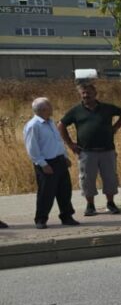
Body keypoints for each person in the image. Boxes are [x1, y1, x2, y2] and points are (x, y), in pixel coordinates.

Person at [57, 79, 121, 215]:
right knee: (87, 179)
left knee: (110, 178)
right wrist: (70, 144)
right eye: (83, 93)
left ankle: (111, 203)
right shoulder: (76, 111)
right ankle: (90, 206)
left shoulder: (107, 108)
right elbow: (61, 125)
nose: (86, 95)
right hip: (86, 152)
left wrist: (115, 127)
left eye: (88, 93)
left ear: (95, 93)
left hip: (107, 150)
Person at [24, 97, 78, 229]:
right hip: (47, 163)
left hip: (59, 160)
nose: (52, 108)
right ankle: (41, 219)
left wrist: (65, 156)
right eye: (49, 106)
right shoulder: (33, 125)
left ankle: (67, 216)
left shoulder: (51, 122)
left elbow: (58, 141)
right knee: (46, 193)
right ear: (42, 109)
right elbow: (32, 148)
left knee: (64, 191)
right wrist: (43, 164)